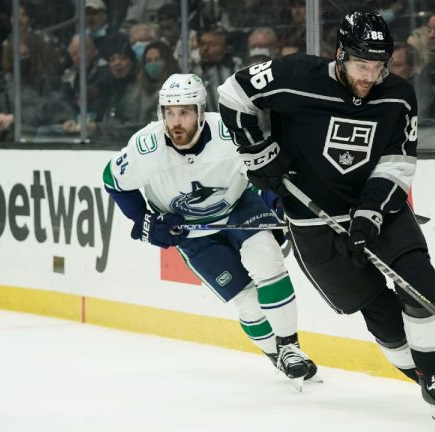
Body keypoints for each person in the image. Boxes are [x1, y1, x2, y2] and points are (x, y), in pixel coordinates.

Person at [217, 11, 435, 429]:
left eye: (379, 66)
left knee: (420, 285)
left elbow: (397, 162)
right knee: (379, 311)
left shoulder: (398, 95)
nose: (370, 75)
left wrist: (370, 215)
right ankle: (424, 380)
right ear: (340, 54)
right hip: (313, 223)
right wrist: (257, 151)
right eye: (361, 65)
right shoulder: (295, 74)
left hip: (378, 213)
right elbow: (232, 94)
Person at [102, 73, 318, 387]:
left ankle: (290, 348)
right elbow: (113, 182)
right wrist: (144, 220)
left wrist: (275, 200)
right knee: (246, 301)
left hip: (240, 207)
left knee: (267, 259)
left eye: (185, 112)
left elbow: (262, 168)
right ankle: (276, 354)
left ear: (202, 113)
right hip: (188, 231)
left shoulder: (228, 133)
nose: (176, 121)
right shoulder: (145, 147)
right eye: (169, 112)